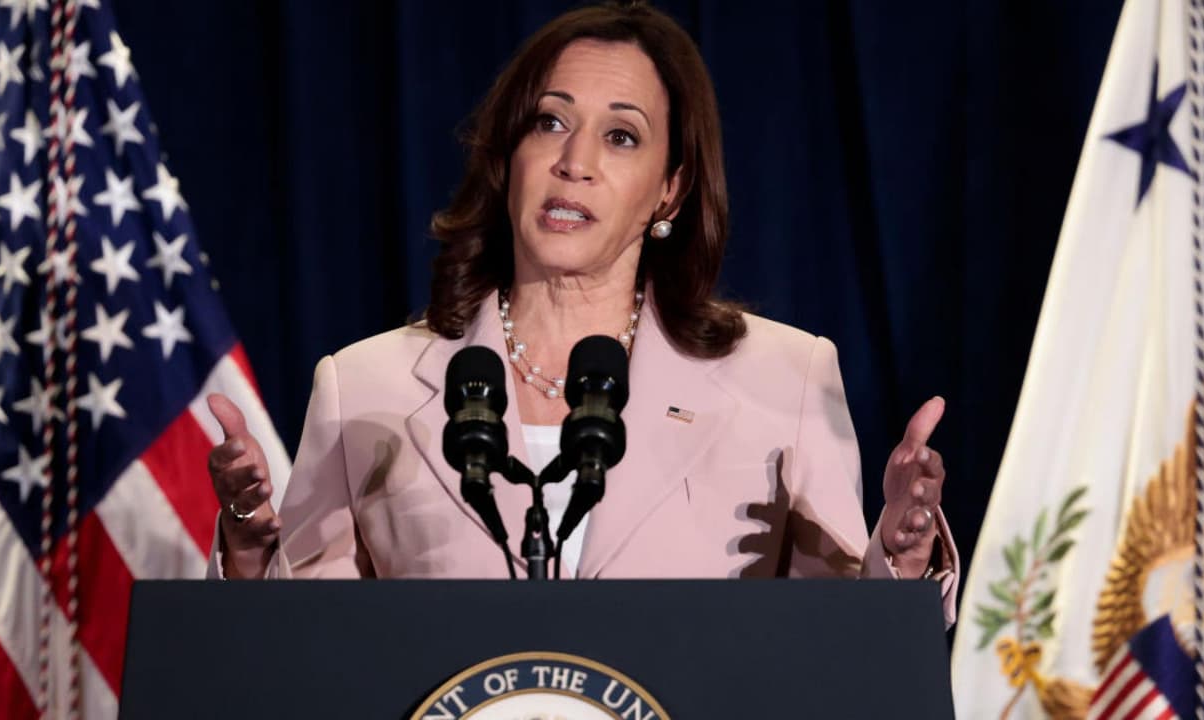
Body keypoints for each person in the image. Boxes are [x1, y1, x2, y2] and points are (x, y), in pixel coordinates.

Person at [204, 1, 957, 623]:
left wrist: (900, 559)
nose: (575, 162)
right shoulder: (367, 387)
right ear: (509, 157)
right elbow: (305, 660)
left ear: (670, 190)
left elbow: (837, 653)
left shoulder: (784, 379)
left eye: (621, 136)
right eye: (550, 122)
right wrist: (248, 552)